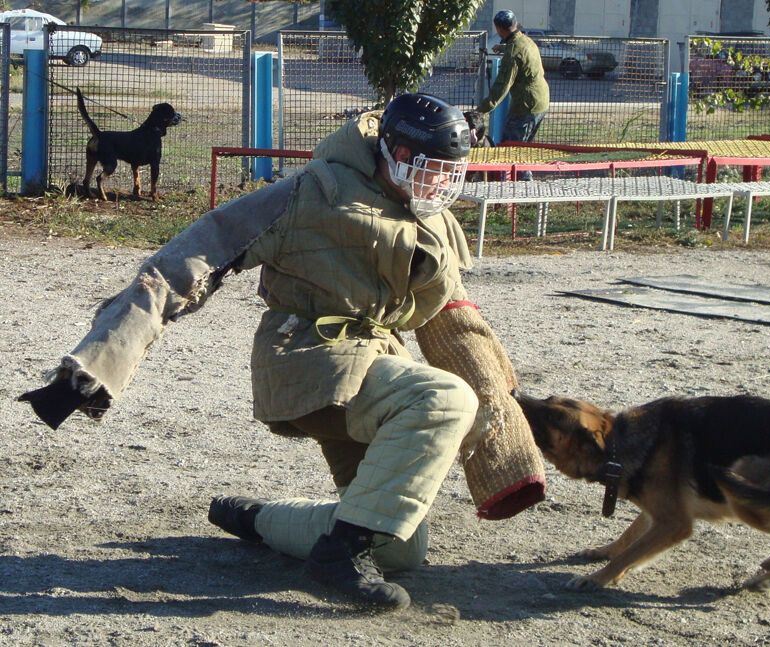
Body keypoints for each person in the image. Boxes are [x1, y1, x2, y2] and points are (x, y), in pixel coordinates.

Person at [19, 93, 541, 612]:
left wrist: (511, 434)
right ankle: (338, 556)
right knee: (444, 399)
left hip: (378, 365)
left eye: (452, 173)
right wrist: (94, 365)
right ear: (397, 154)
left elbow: (456, 324)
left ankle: (255, 519)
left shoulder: (434, 220)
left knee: (401, 546)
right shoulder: (309, 194)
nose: (442, 185)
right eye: (432, 170)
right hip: (306, 359)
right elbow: (181, 266)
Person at [477, 9, 550, 147]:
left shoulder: (512, 54)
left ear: (499, 28)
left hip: (526, 107)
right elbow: (520, 51)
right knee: (522, 151)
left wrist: (480, 110)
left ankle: (517, 170)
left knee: (510, 150)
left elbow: (501, 87)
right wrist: (504, 48)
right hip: (541, 101)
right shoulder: (526, 40)